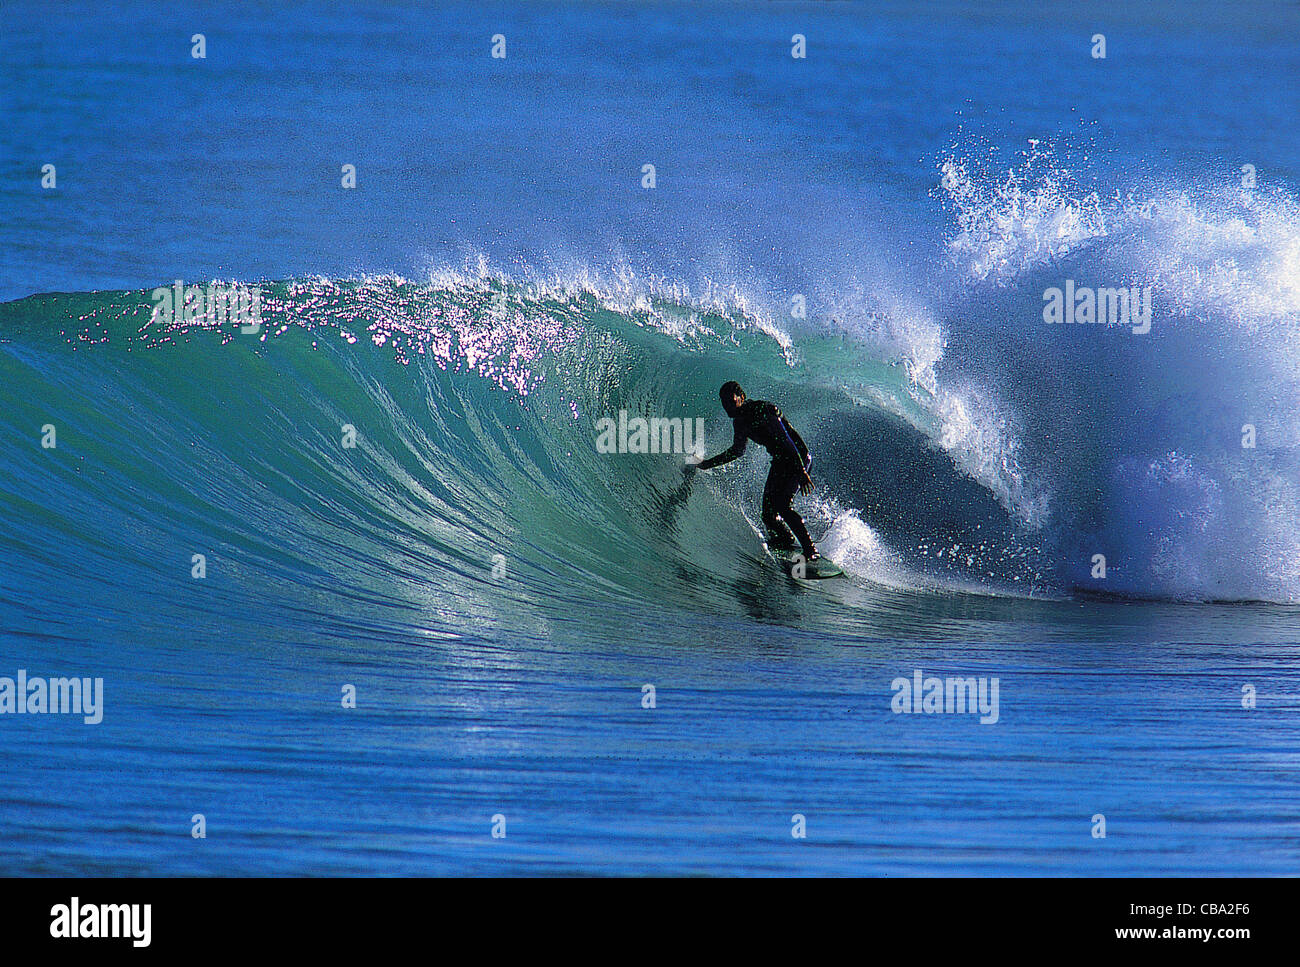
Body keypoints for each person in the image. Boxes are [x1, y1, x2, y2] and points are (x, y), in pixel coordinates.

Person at [685, 381, 819, 560]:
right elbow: (736, 452)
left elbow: (786, 442)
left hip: (797, 458)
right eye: (724, 402)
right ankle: (786, 540)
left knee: (783, 505)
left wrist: (801, 472)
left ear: (741, 398)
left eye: (731, 401)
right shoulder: (740, 422)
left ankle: (811, 551)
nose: (727, 406)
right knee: (768, 515)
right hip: (780, 462)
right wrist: (704, 465)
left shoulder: (761, 410)